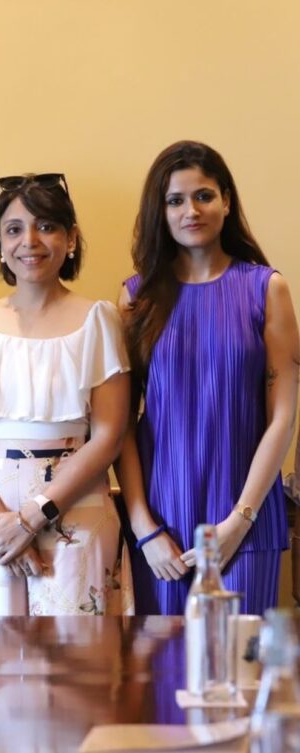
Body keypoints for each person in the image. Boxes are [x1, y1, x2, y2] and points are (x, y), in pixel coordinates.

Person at [118, 140, 299, 615]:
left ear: (226, 201)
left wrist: (239, 522)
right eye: (175, 200)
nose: (190, 210)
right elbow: (119, 426)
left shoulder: (267, 288)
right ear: (160, 211)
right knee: (162, 682)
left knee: (236, 679)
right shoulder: (136, 298)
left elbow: (282, 417)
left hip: (246, 518)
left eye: (203, 196)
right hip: (162, 530)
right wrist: (144, 529)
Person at [0, 173, 133, 615]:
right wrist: (1, 527)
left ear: (71, 238)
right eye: (13, 229)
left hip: (75, 511)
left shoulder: (98, 320)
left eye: (46, 225)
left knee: (75, 668)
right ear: (0, 244)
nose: (30, 240)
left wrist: (32, 519)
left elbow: (108, 436)